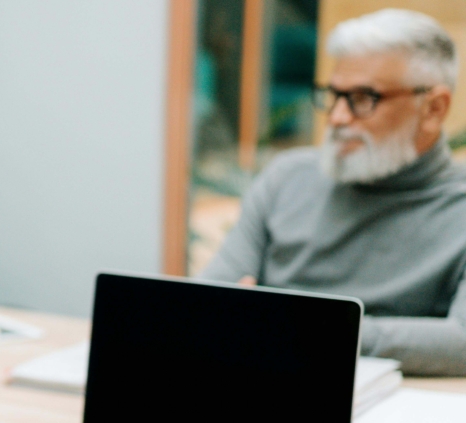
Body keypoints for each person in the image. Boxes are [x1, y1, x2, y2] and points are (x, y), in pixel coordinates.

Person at [200, 9, 466, 376]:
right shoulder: (287, 177)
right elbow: (210, 301)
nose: (338, 117)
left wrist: (304, 326)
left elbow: (461, 341)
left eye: (363, 98)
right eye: (334, 94)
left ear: (434, 109)